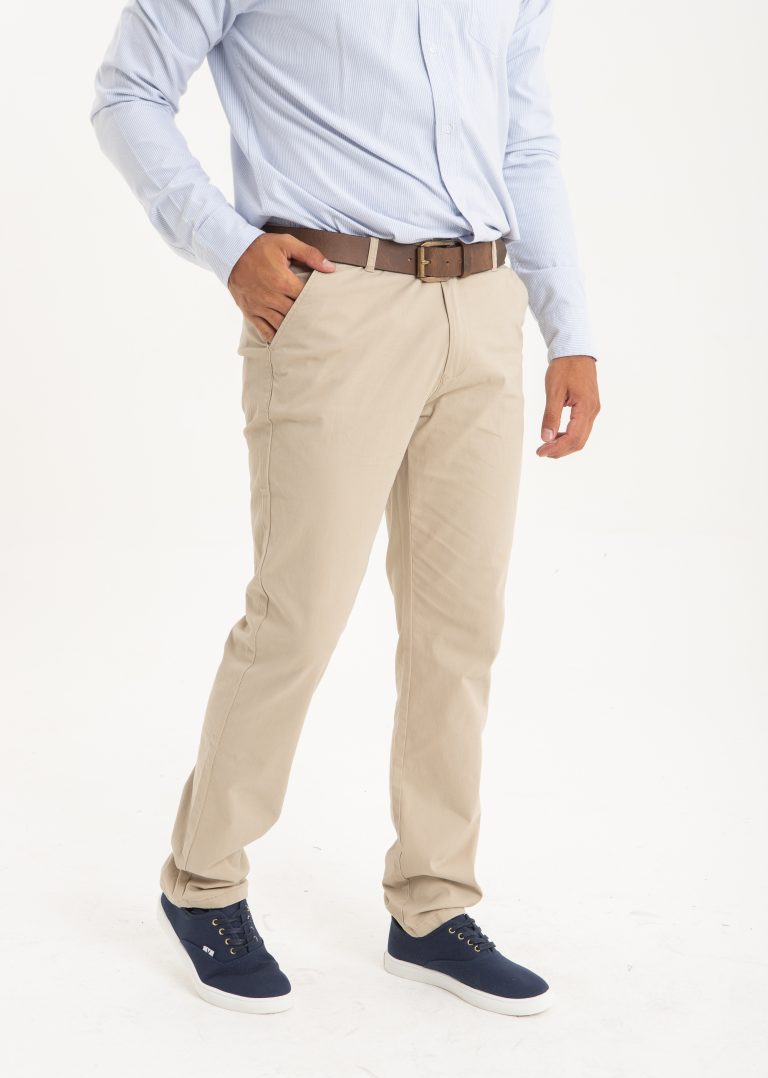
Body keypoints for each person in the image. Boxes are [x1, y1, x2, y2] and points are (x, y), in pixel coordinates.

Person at [90, 0, 600, 1017]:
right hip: (333, 298)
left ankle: (433, 904)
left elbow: (524, 140)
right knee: (299, 614)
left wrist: (570, 327)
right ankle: (203, 882)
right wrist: (227, 245)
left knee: (460, 627)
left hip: (483, 304)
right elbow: (127, 92)